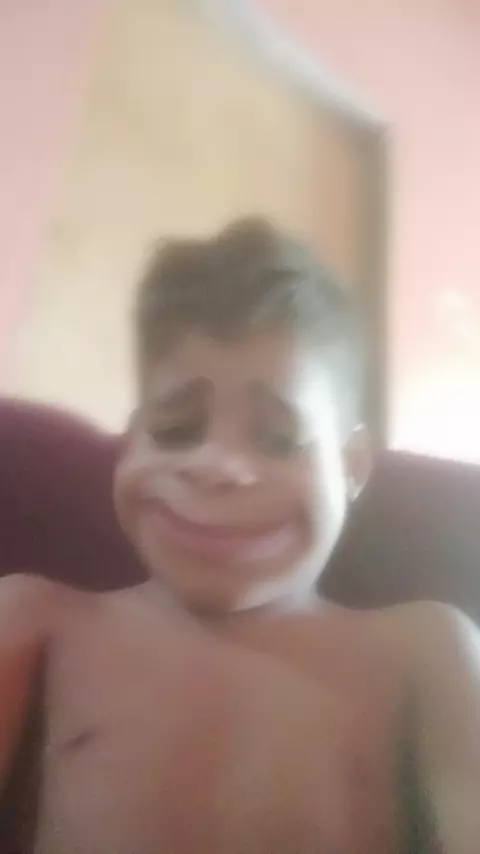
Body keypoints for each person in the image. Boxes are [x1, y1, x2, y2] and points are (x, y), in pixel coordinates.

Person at [0, 218, 479, 854]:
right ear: (130, 443)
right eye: (176, 430)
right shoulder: (39, 619)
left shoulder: (426, 649)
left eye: (280, 438)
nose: (217, 466)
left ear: (352, 467)